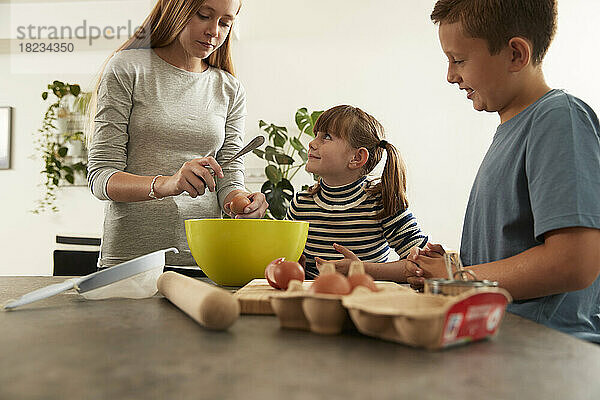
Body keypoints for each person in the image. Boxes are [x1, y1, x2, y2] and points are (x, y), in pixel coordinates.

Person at [408, 0, 600, 342]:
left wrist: (460, 276)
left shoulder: (558, 118)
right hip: (499, 345)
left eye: (459, 60)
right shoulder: (512, 131)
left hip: (544, 354)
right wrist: (453, 264)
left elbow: (575, 262)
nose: (451, 76)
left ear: (515, 54)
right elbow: (507, 258)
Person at [87, 0, 268, 268]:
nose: (214, 31)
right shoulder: (128, 67)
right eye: (204, 15)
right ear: (176, 10)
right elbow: (101, 177)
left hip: (204, 260)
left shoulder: (229, 88)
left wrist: (241, 202)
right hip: (132, 262)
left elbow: (229, 175)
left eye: (225, 23)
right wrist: (168, 184)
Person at [286, 105, 428, 281]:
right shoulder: (300, 204)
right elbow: (285, 262)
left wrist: (362, 269)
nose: (312, 143)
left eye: (326, 137)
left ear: (357, 158)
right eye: (316, 136)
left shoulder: (381, 203)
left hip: (366, 301)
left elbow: (422, 264)